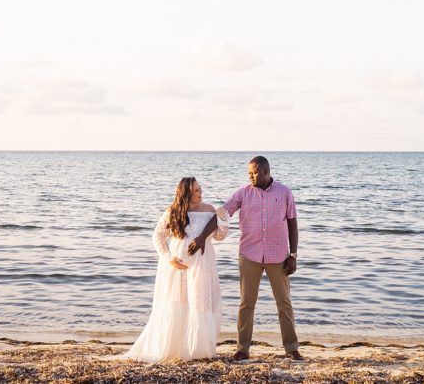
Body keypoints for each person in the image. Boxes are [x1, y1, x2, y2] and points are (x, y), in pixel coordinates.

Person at [189, 155, 302, 361]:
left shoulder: (284, 192)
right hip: (249, 254)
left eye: (255, 172)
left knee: (284, 303)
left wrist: (293, 255)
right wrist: (201, 237)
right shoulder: (242, 193)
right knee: (246, 303)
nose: (251, 176)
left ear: (266, 172)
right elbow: (221, 215)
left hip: (278, 256)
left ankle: (292, 348)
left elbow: (292, 224)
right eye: (249, 173)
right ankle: (242, 349)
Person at [123, 177, 228, 362]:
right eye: (196, 190)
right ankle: (176, 347)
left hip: (203, 264)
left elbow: (219, 236)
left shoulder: (209, 210)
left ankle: (198, 350)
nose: (200, 192)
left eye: (200, 188)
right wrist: (168, 258)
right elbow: (158, 236)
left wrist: (223, 218)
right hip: (178, 264)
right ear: (186, 193)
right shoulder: (172, 211)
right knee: (179, 302)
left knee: (200, 301)